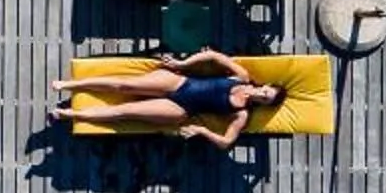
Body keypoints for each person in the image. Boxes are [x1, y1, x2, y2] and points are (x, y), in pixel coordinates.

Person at [49, 48, 279, 151]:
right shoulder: (242, 76)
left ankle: (72, 115)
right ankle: (71, 84)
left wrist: (203, 132)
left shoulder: (242, 113)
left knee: (126, 110)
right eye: (267, 92)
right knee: (126, 84)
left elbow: (226, 143)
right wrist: (182, 64)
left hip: (181, 109)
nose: (263, 95)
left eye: (267, 100)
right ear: (265, 86)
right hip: (181, 82)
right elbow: (213, 55)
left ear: (265, 104)